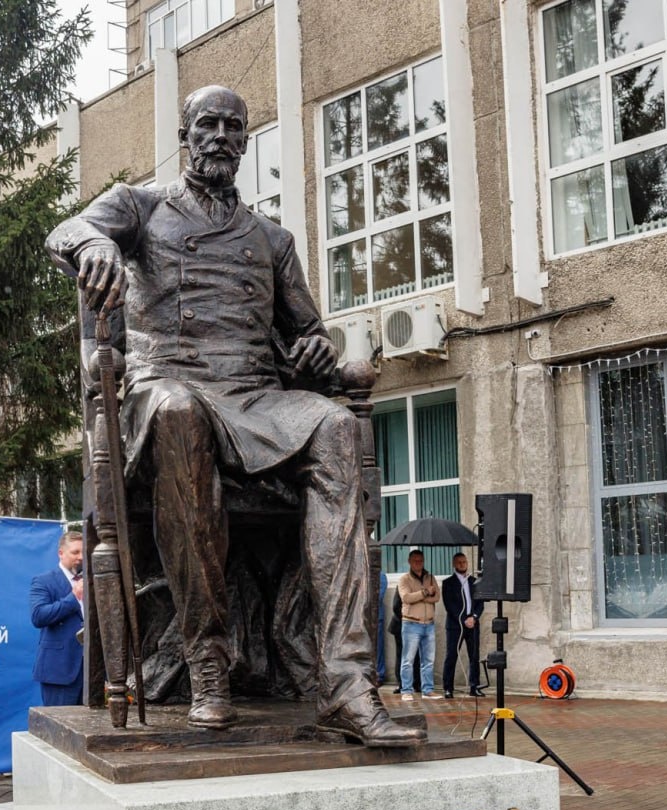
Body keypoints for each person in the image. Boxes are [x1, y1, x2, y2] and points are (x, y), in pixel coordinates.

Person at [45, 85, 422, 747]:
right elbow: (64, 231)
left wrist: (314, 348)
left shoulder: (271, 239)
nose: (220, 136)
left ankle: (346, 684)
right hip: (166, 384)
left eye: (232, 127)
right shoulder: (142, 206)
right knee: (179, 413)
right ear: (186, 135)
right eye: (207, 125)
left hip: (254, 396)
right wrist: (94, 246)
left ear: (245, 141)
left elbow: (309, 333)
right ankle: (208, 662)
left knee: (337, 426)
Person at [29, 531, 86, 706]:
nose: (81, 557)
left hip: (93, 672)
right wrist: (73, 598)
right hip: (59, 672)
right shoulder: (43, 581)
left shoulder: (93, 581)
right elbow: (38, 616)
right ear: (61, 553)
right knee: (60, 723)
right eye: (75, 552)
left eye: (84, 552)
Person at [396, 548, 438, 700]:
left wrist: (421, 597)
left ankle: (428, 690)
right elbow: (406, 598)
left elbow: (437, 597)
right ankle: (406, 690)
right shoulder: (404, 579)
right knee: (408, 660)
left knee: (428, 660)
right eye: (415, 561)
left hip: (429, 624)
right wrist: (425, 593)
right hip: (411, 623)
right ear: (409, 562)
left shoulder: (430, 577)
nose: (418, 563)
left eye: (420, 560)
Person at [441, 552, 485, 698]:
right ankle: (448, 688)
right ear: (454, 564)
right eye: (459, 562)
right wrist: (463, 619)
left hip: (472, 624)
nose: (462, 564)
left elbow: (480, 603)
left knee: (474, 655)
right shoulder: (448, 583)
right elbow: (449, 605)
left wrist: (474, 617)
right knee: (452, 655)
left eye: (464, 562)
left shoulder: (474, 582)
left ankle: (474, 686)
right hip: (455, 626)